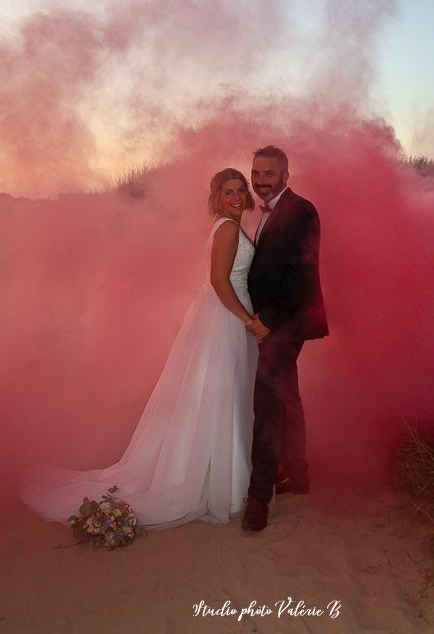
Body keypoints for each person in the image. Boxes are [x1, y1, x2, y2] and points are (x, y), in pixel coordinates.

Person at [20, 168, 263, 530]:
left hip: (224, 317)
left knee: (218, 395)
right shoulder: (227, 228)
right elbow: (217, 281)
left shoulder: (231, 225)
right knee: (221, 395)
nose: (237, 197)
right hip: (227, 319)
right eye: (228, 192)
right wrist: (246, 320)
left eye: (240, 190)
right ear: (217, 197)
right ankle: (218, 482)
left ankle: (221, 474)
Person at [242, 146, 328, 532]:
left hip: (287, 323)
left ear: (285, 176)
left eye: (269, 173)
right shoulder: (263, 210)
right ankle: (298, 473)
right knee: (288, 395)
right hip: (275, 321)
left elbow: (302, 274)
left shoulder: (302, 210)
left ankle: (258, 498)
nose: (261, 179)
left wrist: (268, 321)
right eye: (256, 172)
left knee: (267, 402)